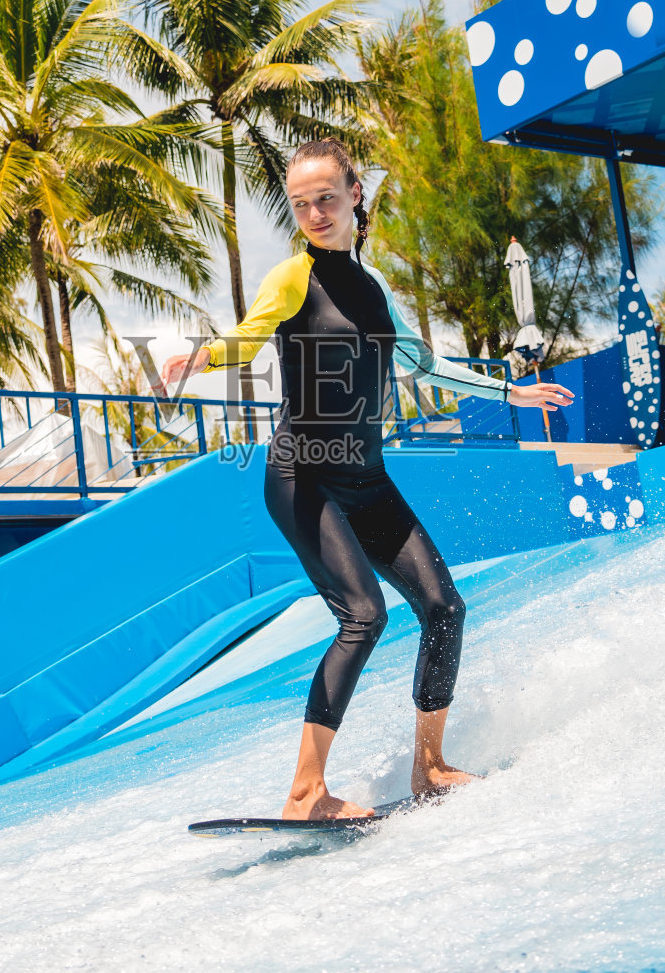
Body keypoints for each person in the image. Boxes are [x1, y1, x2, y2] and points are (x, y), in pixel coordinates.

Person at [163, 140, 574, 820]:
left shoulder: (377, 287)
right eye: (300, 204)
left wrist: (508, 394)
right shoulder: (293, 278)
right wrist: (200, 355)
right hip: (303, 478)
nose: (314, 213)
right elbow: (248, 335)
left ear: (356, 194)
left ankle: (431, 767)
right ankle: (306, 792)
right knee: (363, 616)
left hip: (366, 479)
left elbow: (426, 366)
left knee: (445, 608)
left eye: (326, 197)